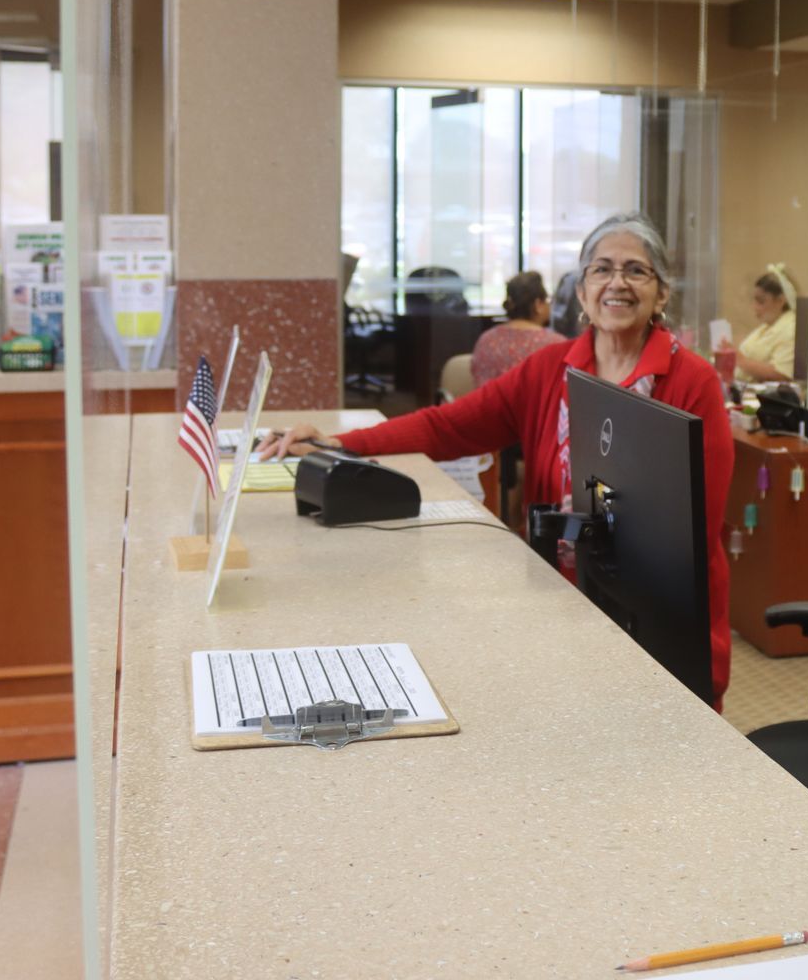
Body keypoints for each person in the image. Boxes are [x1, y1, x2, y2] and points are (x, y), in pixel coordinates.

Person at [261, 214, 736, 705]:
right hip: (564, 615)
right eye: (602, 269)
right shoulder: (548, 371)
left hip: (660, 631)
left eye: (636, 270)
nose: (617, 282)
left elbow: (695, 531)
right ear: (581, 290)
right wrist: (343, 443)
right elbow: (449, 426)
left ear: (661, 294)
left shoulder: (692, 382)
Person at [470, 270, 564, 386]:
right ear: (538, 304)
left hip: (488, 404)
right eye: (547, 300)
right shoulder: (555, 344)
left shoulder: (486, 340)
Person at [714, 264, 797, 384]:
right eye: (754, 300)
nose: (755, 307)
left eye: (761, 301)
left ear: (780, 301)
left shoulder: (791, 329)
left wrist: (738, 359)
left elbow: (782, 373)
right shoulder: (766, 327)